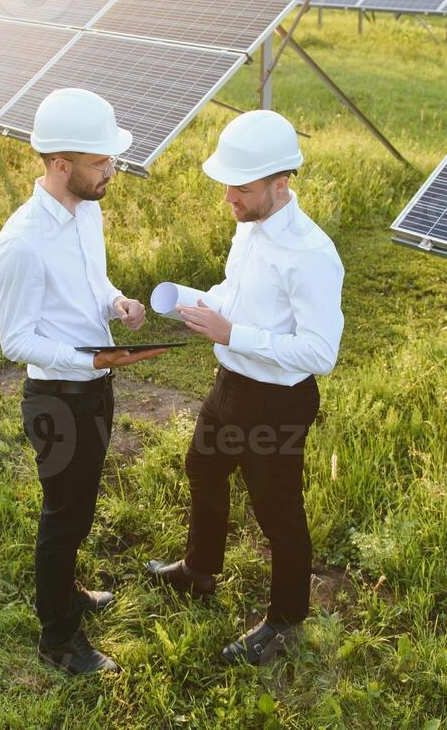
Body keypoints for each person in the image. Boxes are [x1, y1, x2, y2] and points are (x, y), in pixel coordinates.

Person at [146, 110, 345, 665]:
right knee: (203, 468)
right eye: (227, 182)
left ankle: (285, 620)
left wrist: (235, 332)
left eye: (243, 185)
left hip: (277, 402)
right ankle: (199, 570)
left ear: (281, 183)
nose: (229, 195)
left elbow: (318, 352)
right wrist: (205, 302)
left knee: (277, 512)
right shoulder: (248, 225)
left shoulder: (311, 255)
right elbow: (239, 289)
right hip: (231, 382)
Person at [0, 88, 166, 676]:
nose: (111, 171)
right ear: (61, 165)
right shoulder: (20, 244)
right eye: (100, 163)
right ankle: (59, 641)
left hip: (93, 388)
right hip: (56, 400)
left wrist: (118, 304)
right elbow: (15, 341)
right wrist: (93, 362)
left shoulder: (88, 210)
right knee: (63, 518)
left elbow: (91, 282)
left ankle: (67, 593)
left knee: (81, 508)